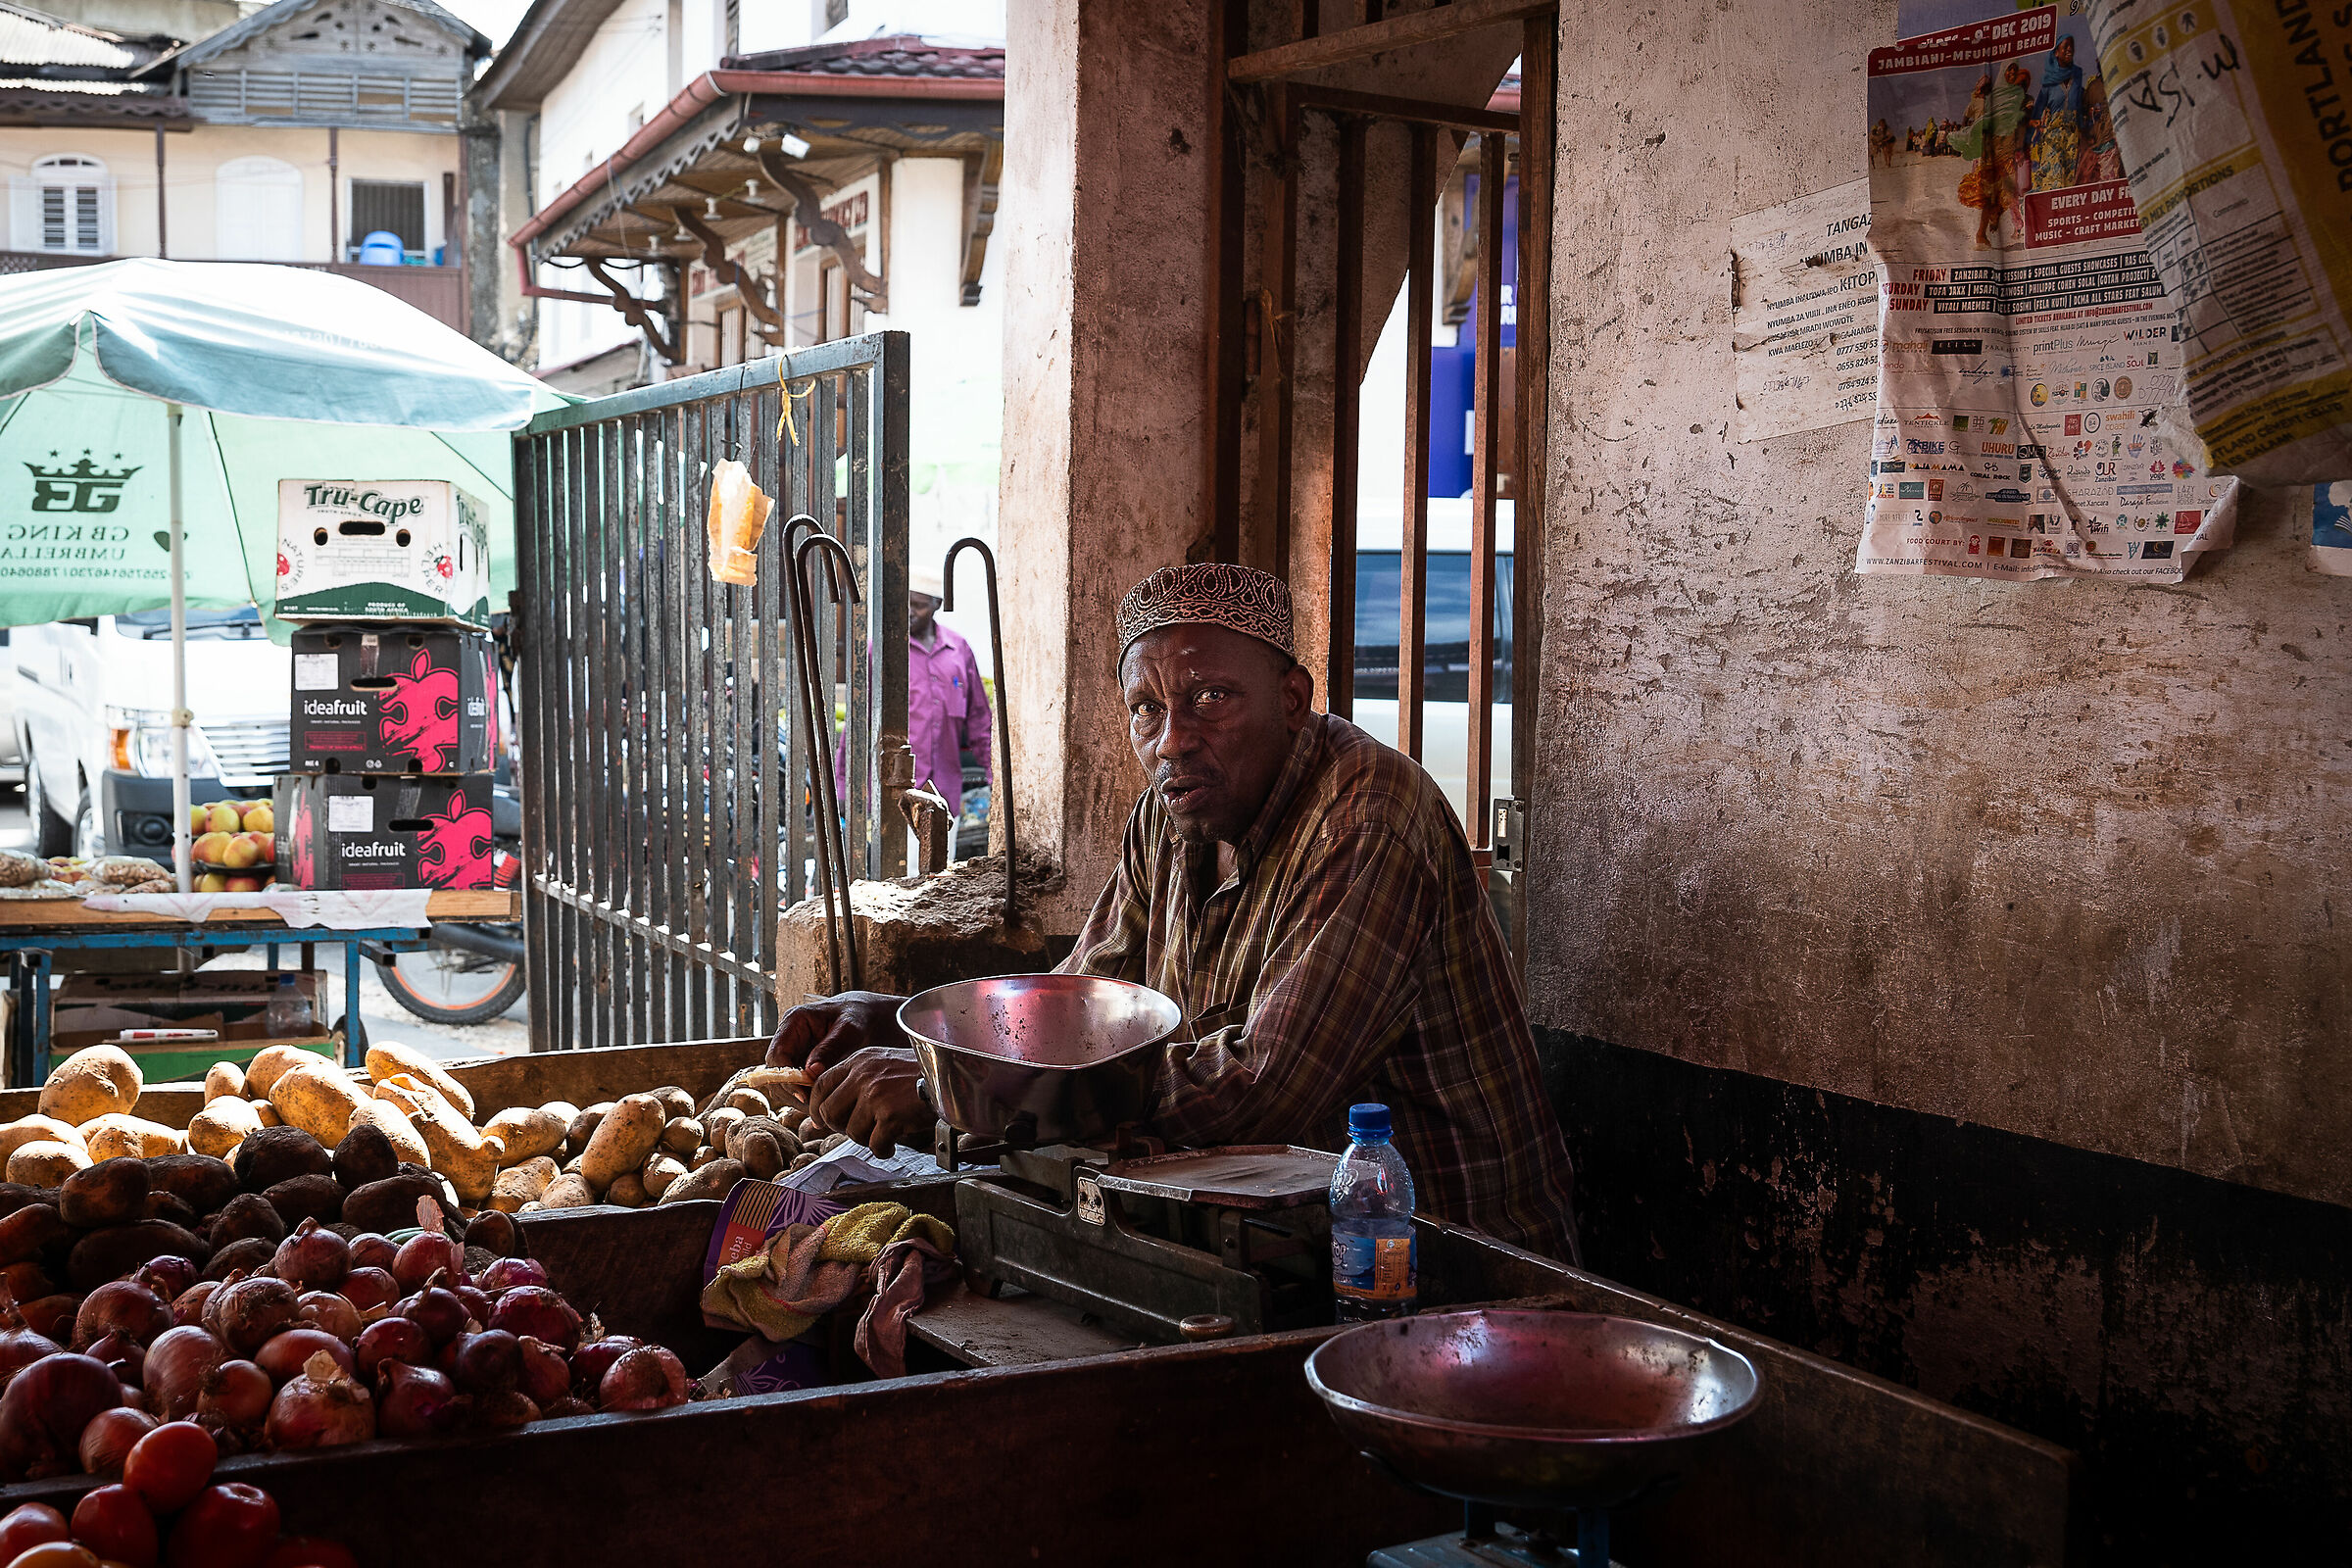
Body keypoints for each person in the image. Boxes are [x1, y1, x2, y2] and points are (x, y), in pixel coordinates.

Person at [772, 563, 1581, 1262]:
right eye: (1147, 710)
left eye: (1212, 698)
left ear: (1292, 699)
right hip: (1270, 1239)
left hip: (1441, 1263)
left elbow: (1263, 1086)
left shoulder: (1368, 815)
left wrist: (947, 1092)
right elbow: (1071, 1009)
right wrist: (909, 1028)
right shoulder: (1170, 816)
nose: (1172, 741)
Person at [836, 563, 993, 829]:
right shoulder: (883, 650)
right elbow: (857, 721)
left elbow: (980, 721)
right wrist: (843, 787)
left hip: (944, 794)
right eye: (904, 603)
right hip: (894, 793)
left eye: (917, 605)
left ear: (937, 605)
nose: (908, 612)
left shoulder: (958, 651)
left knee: (941, 869)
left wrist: (994, 776)